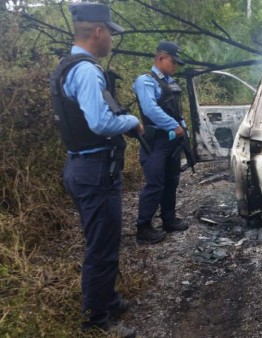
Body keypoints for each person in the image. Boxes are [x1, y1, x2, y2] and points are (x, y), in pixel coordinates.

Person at [49, 3, 138, 337]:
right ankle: (97, 320)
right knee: (102, 245)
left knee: (103, 238)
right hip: (94, 168)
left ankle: (108, 299)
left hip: (80, 165)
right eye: (110, 34)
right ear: (98, 32)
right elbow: (100, 122)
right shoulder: (86, 70)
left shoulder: (64, 65)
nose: (111, 41)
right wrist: (132, 122)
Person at [133, 41, 189, 244]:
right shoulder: (146, 80)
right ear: (161, 58)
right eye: (173, 62)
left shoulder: (170, 82)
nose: (175, 66)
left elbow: (176, 110)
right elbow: (150, 109)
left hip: (172, 140)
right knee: (155, 183)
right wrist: (173, 125)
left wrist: (183, 128)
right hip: (155, 140)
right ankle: (144, 227)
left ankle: (169, 219)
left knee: (171, 181)